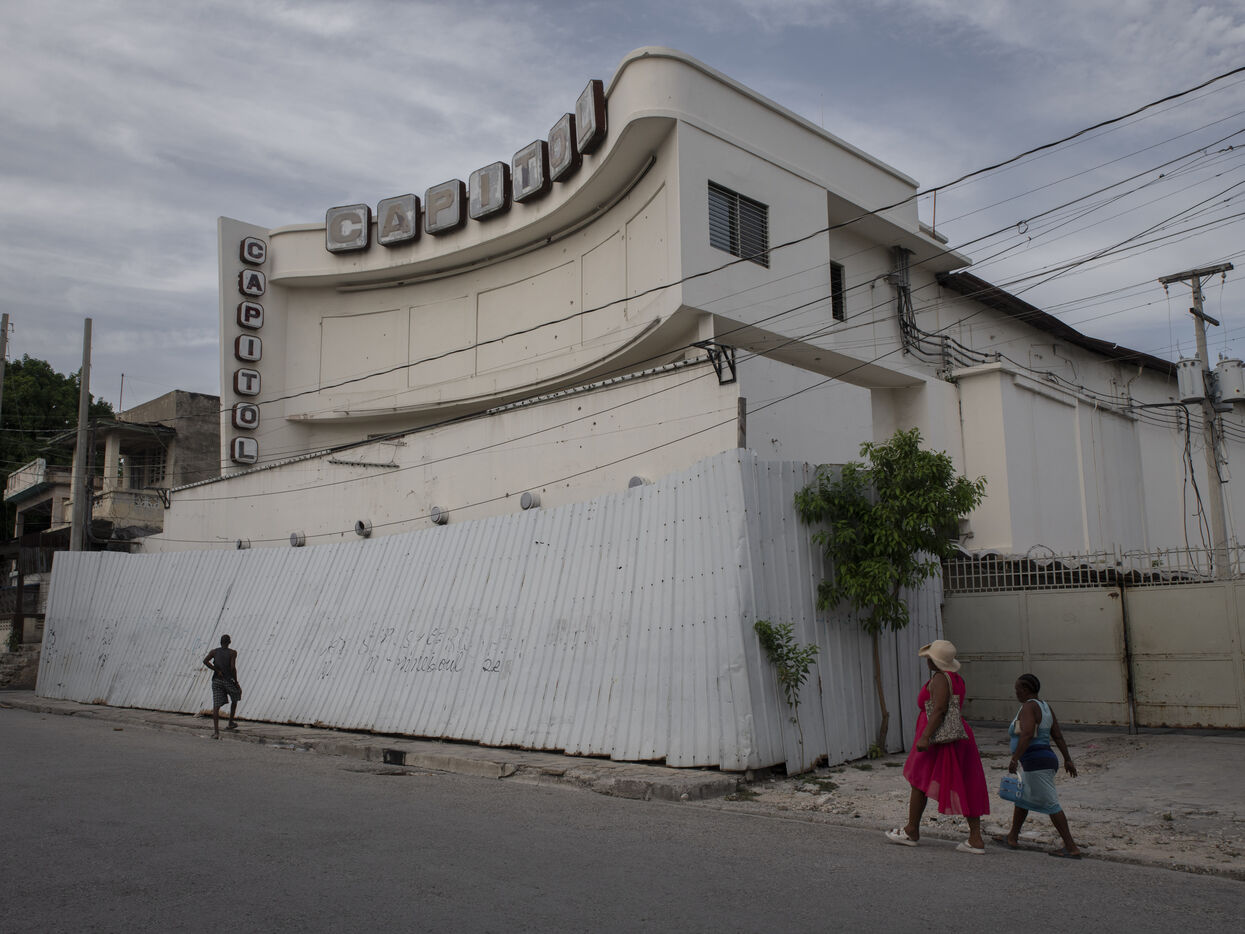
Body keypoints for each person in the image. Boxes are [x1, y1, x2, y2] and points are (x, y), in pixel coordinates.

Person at [885, 639, 990, 853]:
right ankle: (975, 838)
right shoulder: (956, 678)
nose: (927, 660)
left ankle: (911, 830)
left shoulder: (941, 678)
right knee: (967, 783)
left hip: (938, 737)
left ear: (935, 661)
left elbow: (940, 709)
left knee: (919, 780)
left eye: (930, 657)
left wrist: (925, 737)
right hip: (957, 735)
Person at [1005, 672, 1082, 858]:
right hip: (1045, 758)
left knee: (1051, 803)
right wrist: (1067, 759)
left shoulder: (1028, 707)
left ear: (1025, 689)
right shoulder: (1045, 707)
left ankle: (1071, 847)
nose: (1016, 693)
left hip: (1036, 761)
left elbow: (1027, 734)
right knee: (1022, 798)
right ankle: (1012, 836)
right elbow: (1057, 735)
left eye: (1017, 689)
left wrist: (1014, 759)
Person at [203, 634, 242, 739]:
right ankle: (230, 722)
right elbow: (233, 668)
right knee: (235, 696)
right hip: (227, 679)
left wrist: (216, 670)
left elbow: (205, 661)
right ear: (229, 642)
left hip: (216, 680)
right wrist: (236, 682)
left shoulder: (214, 652)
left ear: (220, 642)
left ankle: (216, 733)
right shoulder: (232, 653)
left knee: (216, 706)